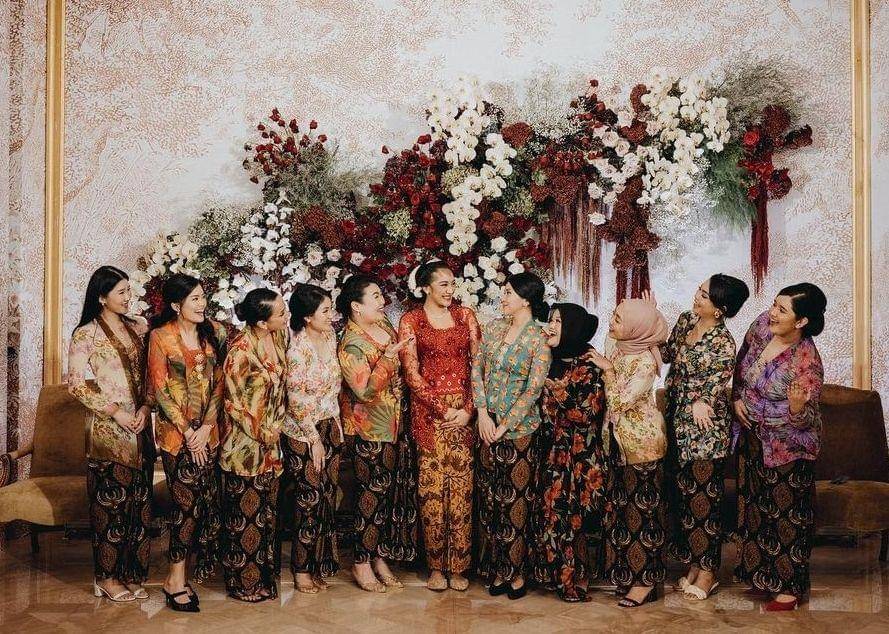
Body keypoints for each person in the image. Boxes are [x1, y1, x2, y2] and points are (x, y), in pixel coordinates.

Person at [732, 283, 826, 611]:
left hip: (788, 447)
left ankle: (788, 589)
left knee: (787, 517)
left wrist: (798, 408)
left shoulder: (806, 362)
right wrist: (736, 398)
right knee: (757, 511)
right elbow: (740, 363)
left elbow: (808, 419)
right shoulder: (762, 325)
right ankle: (763, 579)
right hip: (754, 438)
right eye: (774, 304)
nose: (772, 313)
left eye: (782, 310)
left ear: (801, 321)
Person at [67, 266, 153, 602]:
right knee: (110, 508)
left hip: (140, 427)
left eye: (129, 290)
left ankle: (131, 574)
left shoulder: (139, 327)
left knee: (139, 506)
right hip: (109, 430)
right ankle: (106, 577)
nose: (129, 297)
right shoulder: (86, 334)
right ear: (102, 297)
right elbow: (76, 385)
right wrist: (116, 411)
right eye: (121, 292)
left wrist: (145, 408)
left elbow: (149, 376)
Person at [661, 275, 749, 601]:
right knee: (685, 499)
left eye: (704, 295)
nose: (696, 297)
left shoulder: (723, 342)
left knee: (704, 501)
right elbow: (667, 354)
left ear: (720, 309)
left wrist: (702, 400)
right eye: (699, 290)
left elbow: (716, 382)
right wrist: (652, 324)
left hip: (705, 429)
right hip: (677, 422)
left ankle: (708, 572)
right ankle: (694, 565)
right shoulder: (687, 320)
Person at [398, 261, 481, 592]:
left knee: (461, 490)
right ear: (425, 288)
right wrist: (443, 409)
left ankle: (458, 566)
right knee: (431, 491)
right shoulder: (411, 320)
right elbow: (411, 373)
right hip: (429, 415)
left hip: (463, 414)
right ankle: (435, 566)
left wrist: (468, 410)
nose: (450, 290)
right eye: (443, 284)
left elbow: (478, 365)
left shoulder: (466, 316)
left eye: (452, 284)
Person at [146, 274, 227, 612]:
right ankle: (175, 579)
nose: (202, 303)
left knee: (205, 505)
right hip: (176, 437)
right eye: (194, 298)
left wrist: (206, 427)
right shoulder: (160, 337)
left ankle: (189, 572)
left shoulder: (215, 332)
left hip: (209, 434)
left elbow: (220, 382)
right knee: (186, 505)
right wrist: (188, 431)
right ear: (176, 305)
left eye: (203, 296)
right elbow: (160, 388)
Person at [472, 271, 552, 601]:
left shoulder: (538, 338)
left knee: (515, 503)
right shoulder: (493, 328)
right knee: (491, 500)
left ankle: (516, 573)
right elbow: (477, 370)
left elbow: (533, 390)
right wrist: (482, 413)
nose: (502, 298)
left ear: (526, 300)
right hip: (485, 427)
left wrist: (503, 426)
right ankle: (497, 569)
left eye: (508, 293)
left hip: (519, 432)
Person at [337, 274, 418, 592]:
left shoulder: (383, 325)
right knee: (370, 498)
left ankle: (378, 556)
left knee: (385, 497)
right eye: (375, 296)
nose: (382, 301)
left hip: (393, 425)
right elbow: (364, 391)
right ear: (356, 306)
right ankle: (361, 561)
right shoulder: (351, 343)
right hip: (369, 430)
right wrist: (387, 359)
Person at [588, 296, 669, 608]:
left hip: (642, 447)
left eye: (619, 319)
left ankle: (645, 582)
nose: (612, 322)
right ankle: (627, 575)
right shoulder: (620, 347)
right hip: (617, 445)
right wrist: (649, 310)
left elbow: (619, 401)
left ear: (637, 328)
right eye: (614, 315)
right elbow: (621, 334)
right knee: (622, 514)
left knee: (642, 517)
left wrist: (608, 371)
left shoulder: (645, 363)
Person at [535, 303, 608, 602]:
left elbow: (587, 414)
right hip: (552, 452)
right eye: (550, 320)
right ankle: (559, 577)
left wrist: (560, 394)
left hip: (581, 456)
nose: (551, 326)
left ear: (573, 327)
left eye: (558, 321)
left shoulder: (589, 364)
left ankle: (579, 577)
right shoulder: (544, 358)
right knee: (554, 516)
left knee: (579, 518)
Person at [220, 289, 288, 602]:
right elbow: (232, 403)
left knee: (266, 516)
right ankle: (243, 583)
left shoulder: (279, 338)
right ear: (261, 322)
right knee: (245, 517)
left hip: (272, 445)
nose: (286, 316)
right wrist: (262, 432)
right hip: (244, 446)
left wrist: (276, 430)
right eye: (281, 313)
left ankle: (263, 579)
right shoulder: (240, 352)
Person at [283, 283, 343, 594]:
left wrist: (334, 428)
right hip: (302, 432)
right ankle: (301, 569)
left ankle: (319, 565)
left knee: (327, 499)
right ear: (307, 317)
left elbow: (334, 388)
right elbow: (296, 399)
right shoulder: (297, 347)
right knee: (309, 499)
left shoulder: (330, 336)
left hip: (330, 425)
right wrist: (313, 439)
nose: (332, 315)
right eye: (325, 311)